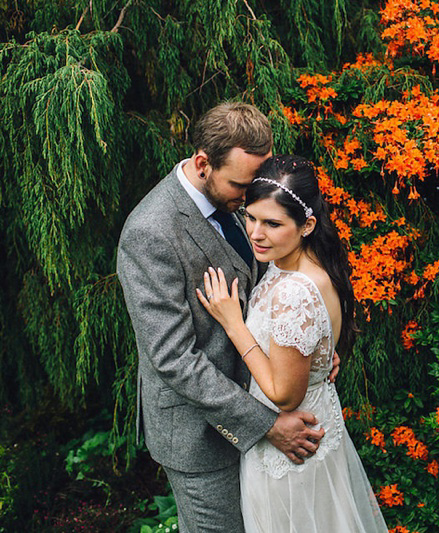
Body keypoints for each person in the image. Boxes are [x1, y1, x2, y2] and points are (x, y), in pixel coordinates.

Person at [117, 102, 326, 533]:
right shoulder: (150, 233)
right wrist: (266, 424)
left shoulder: (241, 202)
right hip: (200, 438)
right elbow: (174, 359)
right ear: (202, 163)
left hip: (261, 399)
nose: (249, 198)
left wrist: (308, 349)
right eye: (241, 185)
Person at [198, 154, 388, 532]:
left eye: (272, 223)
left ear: (307, 225)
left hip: (289, 451)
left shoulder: (294, 293)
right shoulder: (310, 263)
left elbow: (285, 395)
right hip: (316, 431)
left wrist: (235, 324)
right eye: (250, 217)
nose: (255, 233)